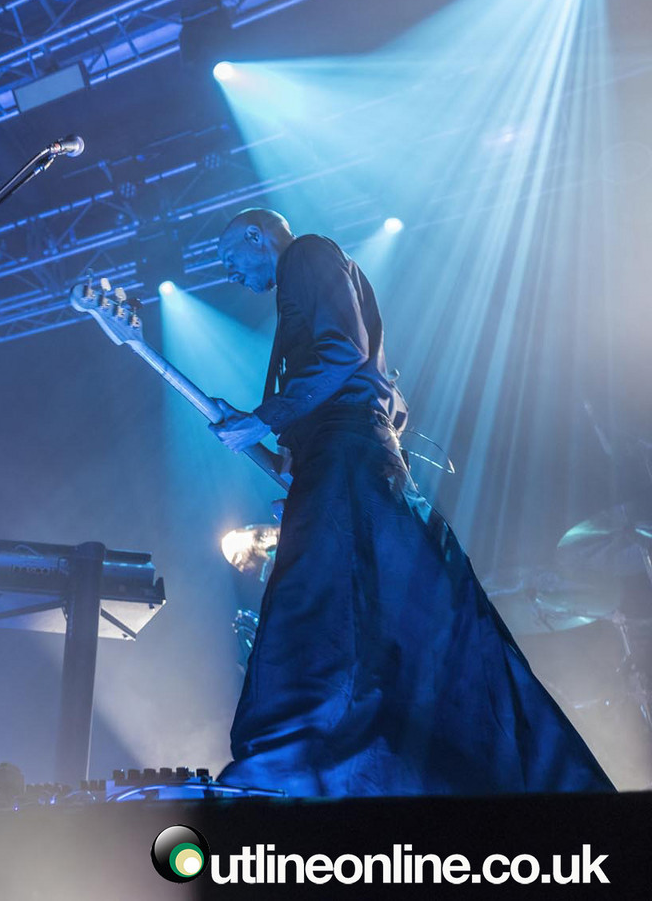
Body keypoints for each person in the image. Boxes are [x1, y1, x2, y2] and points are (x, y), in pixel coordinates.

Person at [206, 208, 612, 796]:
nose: (228, 272)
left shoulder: (306, 253)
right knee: (399, 621)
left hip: (349, 457)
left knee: (315, 610)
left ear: (256, 235)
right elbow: (349, 384)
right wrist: (287, 457)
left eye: (229, 257)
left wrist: (264, 418)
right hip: (346, 458)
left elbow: (343, 351)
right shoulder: (304, 273)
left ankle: (291, 768)